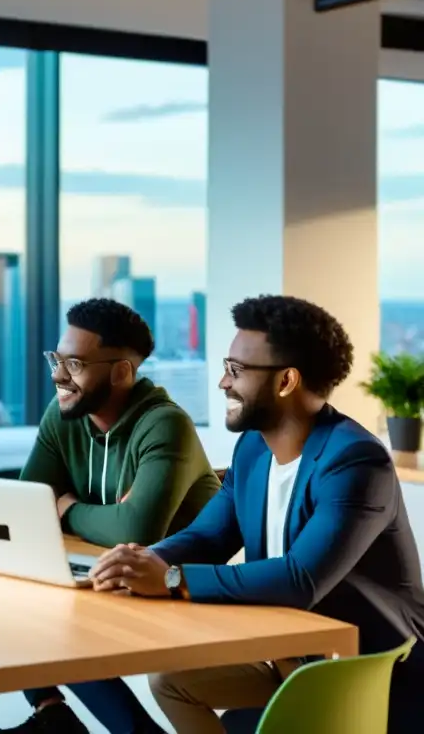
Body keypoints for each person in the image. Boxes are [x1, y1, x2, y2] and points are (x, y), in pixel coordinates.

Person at [88, 294, 424, 734]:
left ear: (286, 380)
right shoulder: (253, 449)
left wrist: (172, 579)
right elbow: (210, 536)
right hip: (294, 660)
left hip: (370, 676)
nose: (223, 384)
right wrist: (137, 562)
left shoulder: (356, 462)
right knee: (171, 680)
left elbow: (300, 578)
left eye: (236, 370)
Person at [0, 298, 221, 734]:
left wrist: (66, 508)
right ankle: (51, 712)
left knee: (58, 618)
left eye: (74, 363)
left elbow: (135, 530)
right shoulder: (64, 415)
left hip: (179, 589)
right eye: (56, 359)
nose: (57, 375)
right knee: (9, 586)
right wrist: (101, 514)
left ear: (122, 372)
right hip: (111, 575)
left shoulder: (165, 425)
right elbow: (29, 507)